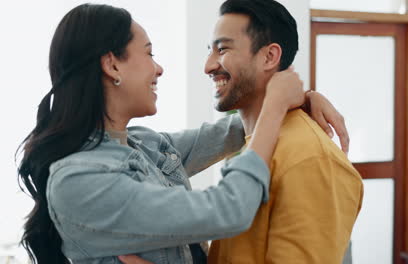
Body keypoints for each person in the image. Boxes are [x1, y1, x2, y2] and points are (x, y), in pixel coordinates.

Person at [17, 3, 349, 264]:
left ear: (270, 56)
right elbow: (228, 208)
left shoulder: (143, 144)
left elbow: (227, 132)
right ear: (112, 65)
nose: (159, 68)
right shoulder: (81, 180)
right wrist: (275, 105)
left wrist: (302, 98)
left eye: (222, 49)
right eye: (148, 53)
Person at [120, 0, 363, 263]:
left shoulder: (310, 159)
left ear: (269, 57)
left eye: (222, 49)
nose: (208, 66)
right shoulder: (254, 144)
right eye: (210, 51)